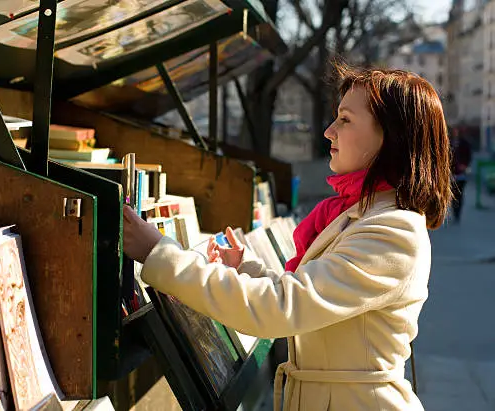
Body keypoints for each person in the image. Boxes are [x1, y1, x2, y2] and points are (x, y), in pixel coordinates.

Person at [122, 65, 452, 411]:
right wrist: (247, 268)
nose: (328, 132)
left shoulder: (391, 231)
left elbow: (280, 308)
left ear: (391, 136)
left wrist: (159, 252)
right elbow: (306, 295)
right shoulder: (364, 214)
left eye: (345, 120)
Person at [450, 127, 472, 223]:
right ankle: (455, 213)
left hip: (461, 173)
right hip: (451, 173)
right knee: (452, 195)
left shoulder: (464, 143)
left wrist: (465, 165)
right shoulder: (448, 142)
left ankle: (458, 214)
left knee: (460, 194)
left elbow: (469, 155)